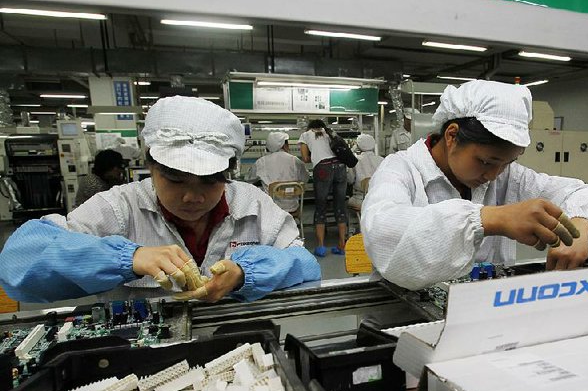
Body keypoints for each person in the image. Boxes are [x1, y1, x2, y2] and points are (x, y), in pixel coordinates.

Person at [0, 96, 320, 303]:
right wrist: (127, 258)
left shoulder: (252, 204)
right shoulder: (119, 207)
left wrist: (246, 274)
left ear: (229, 172)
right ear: (150, 166)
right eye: (175, 179)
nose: (192, 196)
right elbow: (19, 263)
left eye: (210, 181)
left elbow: (305, 264)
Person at [361, 80, 588, 290]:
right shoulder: (401, 168)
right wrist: (490, 218)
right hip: (400, 322)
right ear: (451, 135)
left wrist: (580, 225)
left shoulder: (510, 177)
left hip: (482, 317)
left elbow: (581, 194)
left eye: (506, 163)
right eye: (485, 161)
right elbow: (385, 232)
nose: (494, 175)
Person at [298, 119, 348, 257]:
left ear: (310, 127)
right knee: (340, 205)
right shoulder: (329, 133)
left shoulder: (306, 135)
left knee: (321, 206)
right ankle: (341, 245)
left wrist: (313, 153)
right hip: (340, 167)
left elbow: (305, 158)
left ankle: (321, 246)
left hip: (323, 168)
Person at [249, 131, 308, 213]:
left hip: (272, 208)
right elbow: (305, 178)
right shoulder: (295, 160)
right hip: (292, 207)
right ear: (284, 145)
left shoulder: (261, 162)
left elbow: (250, 180)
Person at [347, 134, 384, 211]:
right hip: (379, 199)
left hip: (360, 199)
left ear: (358, 146)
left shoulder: (355, 161)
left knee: (345, 202)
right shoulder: (382, 160)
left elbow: (350, 180)